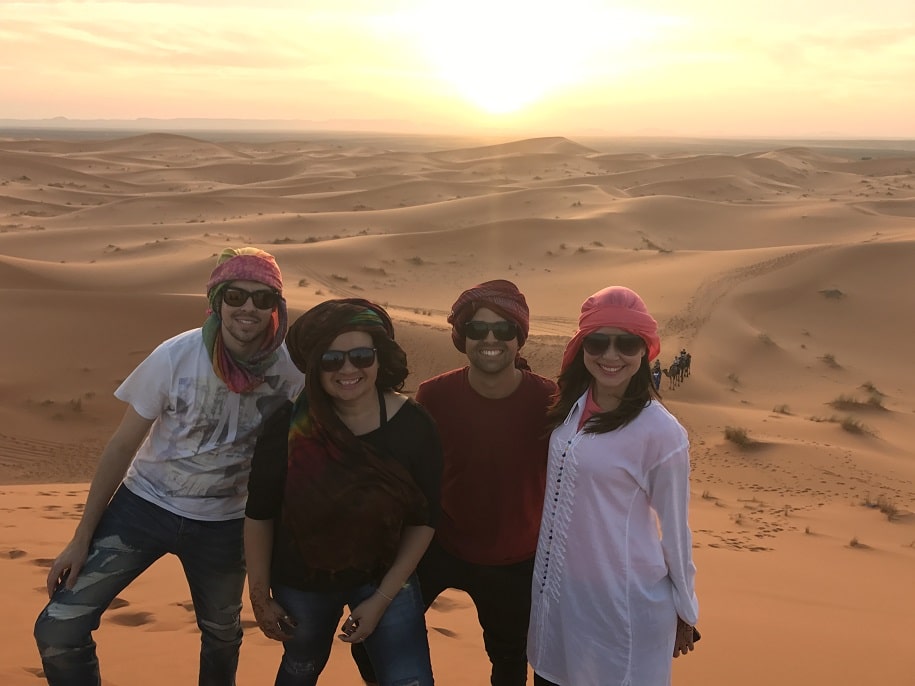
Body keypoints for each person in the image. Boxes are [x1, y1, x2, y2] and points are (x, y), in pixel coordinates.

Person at [34, 247, 304, 686]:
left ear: (278, 306)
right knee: (58, 627)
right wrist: (80, 540)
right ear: (217, 301)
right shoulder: (176, 356)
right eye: (235, 296)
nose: (248, 308)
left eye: (263, 298)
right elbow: (122, 445)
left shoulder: (293, 372)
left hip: (227, 524)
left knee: (222, 636)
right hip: (144, 507)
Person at [353, 279, 557, 686]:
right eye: (478, 329)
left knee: (509, 662)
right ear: (462, 337)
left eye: (503, 329)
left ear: (519, 338)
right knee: (369, 640)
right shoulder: (435, 395)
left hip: (514, 559)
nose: (490, 339)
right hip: (439, 544)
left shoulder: (550, 400)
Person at [244, 298, 442, 686]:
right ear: (314, 366)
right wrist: (259, 597)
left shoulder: (414, 425)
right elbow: (260, 513)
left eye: (361, 356)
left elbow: (425, 520)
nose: (348, 369)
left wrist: (382, 599)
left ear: (378, 359)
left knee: (410, 678)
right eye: (332, 360)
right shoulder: (287, 429)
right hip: (302, 582)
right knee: (301, 668)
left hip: (385, 575)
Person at [528, 286, 699, 686]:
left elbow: (676, 530)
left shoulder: (660, 432)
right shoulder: (570, 406)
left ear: (644, 350)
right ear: (582, 347)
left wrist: (685, 610)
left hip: (621, 609)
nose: (610, 355)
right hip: (559, 605)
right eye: (598, 342)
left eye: (626, 343)